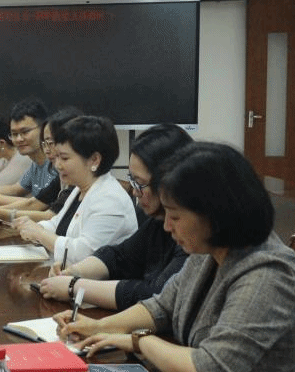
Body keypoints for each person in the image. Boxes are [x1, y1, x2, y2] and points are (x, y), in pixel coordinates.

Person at [59, 142, 295, 372]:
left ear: (215, 215)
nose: (167, 226)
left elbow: (209, 369)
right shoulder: (209, 251)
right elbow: (162, 306)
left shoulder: (269, 275)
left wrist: (138, 341)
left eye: (175, 216)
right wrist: (98, 327)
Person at [40, 123, 192, 309]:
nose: (134, 192)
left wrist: (75, 286)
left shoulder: (192, 235)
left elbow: (157, 295)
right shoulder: (157, 222)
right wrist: (75, 272)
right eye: (132, 180)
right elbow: (119, 256)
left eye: (140, 183)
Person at [15, 114, 137, 265]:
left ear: (94, 160)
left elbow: (83, 254)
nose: (57, 165)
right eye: (57, 157)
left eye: (64, 158)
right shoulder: (80, 189)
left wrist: (39, 233)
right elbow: (57, 224)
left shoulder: (110, 200)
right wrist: (33, 227)